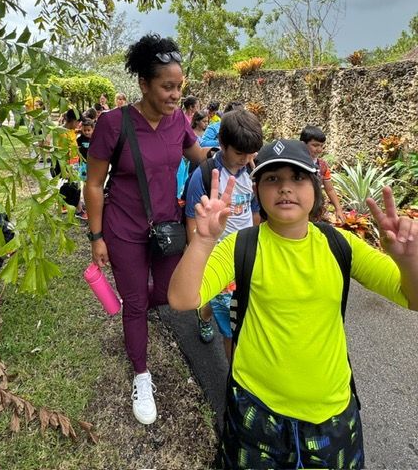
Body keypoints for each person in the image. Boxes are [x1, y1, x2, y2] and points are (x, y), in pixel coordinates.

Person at [169, 139, 418, 469]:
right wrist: (202, 240)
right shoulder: (241, 245)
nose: (285, 188)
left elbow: (411, 297)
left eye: (297, 178)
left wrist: (409, 261)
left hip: (331, 414)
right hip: (256, 410)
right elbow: (182, 298)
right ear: (257, 190)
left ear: (315, 188)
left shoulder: (339, 244)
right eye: (272, 179)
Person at [84, 33, 210, 425]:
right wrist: (96, 236)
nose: (175, 95)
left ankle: (133, 305)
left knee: (175, 294)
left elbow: (199, 156)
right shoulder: (112, 124)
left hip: (167, 228)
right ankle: (141, 373)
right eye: (167, 87)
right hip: (123, 229)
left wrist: (235, 150)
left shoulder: (179, 123)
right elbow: (93, 183)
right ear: (143, 84)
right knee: (137, 303)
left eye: (180, 87)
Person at [185, 109, 262, 360]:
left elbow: (255, 211)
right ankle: (233, 383)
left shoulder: (253, 174)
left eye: (250, 152)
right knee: (230, 329)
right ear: (222, 144)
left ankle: (204, 312)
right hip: (217, 256)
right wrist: (199, 259)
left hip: (245, 255)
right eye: (239, 152)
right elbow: (191, 221)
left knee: (242, 312)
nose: (245, 158)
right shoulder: (205, 176)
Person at [300, 125, 346, 223]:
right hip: (298, 207)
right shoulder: (294, 164)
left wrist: (338, 209)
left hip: (316, 208)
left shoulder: (323, 165)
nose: (319, 150)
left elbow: (329, 189)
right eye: (315, 145)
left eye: (321, 146)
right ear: (303, 144)